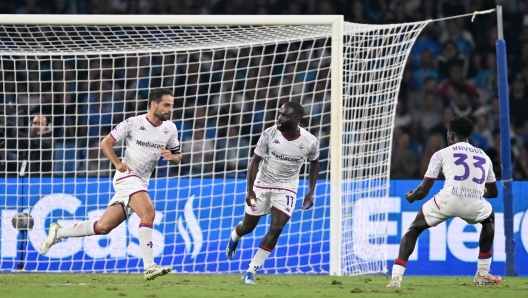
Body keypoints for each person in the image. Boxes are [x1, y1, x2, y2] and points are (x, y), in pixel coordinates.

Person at [39, 88, 183, 281]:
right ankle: (149, 266)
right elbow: (105, 143)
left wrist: (171, 157)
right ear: (153, 104)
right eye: (166, 105)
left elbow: (178, 157)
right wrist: (117, 163)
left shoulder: (170, 129)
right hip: (126, 177)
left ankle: (59, 232)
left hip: (142, 182)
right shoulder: (133, 123)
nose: (170, 109)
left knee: (103, 227)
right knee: (148, 212)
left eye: (172, 105)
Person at [386, 116, 501, 288]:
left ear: (451, 136)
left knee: (414, 229)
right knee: (489, 219)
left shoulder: (441, 154)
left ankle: (396, 278)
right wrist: (475, 192)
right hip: (474, 203)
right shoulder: (484, 157)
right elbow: (493, 192)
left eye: (448, 134)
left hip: (447, 199)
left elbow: (423, 191)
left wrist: (411, 197)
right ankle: (482, 275)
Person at [225, 101, 320, 285]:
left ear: (296, 119)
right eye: (280, 114)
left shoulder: (310, 141)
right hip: (263, 184)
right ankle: (235, 235)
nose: (280, 118)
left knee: (277, 228)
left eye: (284, 115)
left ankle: (250, 272)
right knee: (248, 227)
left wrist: (310, 192)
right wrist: (250, 190)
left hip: (287, 187)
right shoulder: (269, 134)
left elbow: (315, 163)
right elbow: (254, 162)